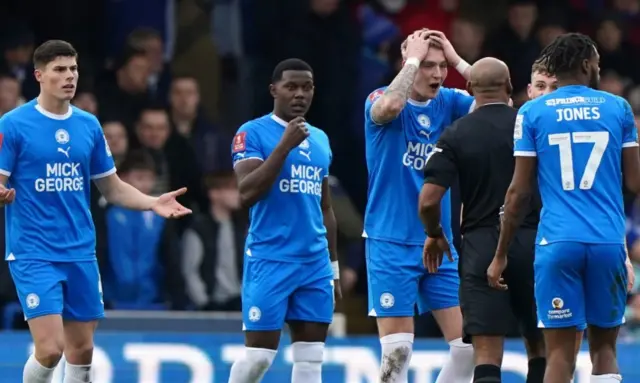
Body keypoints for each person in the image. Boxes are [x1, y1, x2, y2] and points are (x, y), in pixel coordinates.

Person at [0, 40, 192, 383]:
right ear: (39, 75)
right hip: (34, 251)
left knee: (82, 350)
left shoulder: (88, 125)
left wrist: (153, 202)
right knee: (49, 349)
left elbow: (113, 188)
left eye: (73, 69)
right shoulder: (13, 124)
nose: (69, 76)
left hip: (80, 252)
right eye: (59, 70)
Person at [487, 33, 637, 383]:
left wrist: (501, 253)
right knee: (604, 351)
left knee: (559, 356)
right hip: (606, 242)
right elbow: (635, 183)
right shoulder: (618, 108)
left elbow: (518, 194)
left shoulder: (532, 112)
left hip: (556, 243)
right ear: (587, 65)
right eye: (597, 63)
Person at [419, 57, 545, 383]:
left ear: (471, 88)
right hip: (533, 241)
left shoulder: (456, 133)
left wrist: (435, 233)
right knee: (541, 345)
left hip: (481, 246)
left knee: (486, 356)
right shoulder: (530, 125)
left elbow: (429, 200)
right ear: (509, 86)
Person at [364, 28, 475, 382]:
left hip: (437, 242)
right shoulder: (380, 98)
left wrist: (458, 60)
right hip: (390, 241)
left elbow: (498, 100)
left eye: (442, 66)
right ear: (407, 63)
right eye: (428, 65)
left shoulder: (451, 102)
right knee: (398, 351)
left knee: (468, 347)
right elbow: (391, 107)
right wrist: (412, 59)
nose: (438, 74)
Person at [227, 58, 341, 383]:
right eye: (291, 86)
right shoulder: (252, 132)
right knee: (259, 358)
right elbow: (247, 192)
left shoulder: (320, 138)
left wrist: (332, 267)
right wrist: (283, 147)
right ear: (273, 89)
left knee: (311, 359)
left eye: (307, 87)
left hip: (314, 265)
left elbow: (325, 207)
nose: (299, 94)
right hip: (270, 258)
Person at [526, 59, 586, 381]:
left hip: (559, 248)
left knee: (562, 355)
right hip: (521, 251)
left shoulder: (578, 137)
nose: (547, 95)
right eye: (540, 86)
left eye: (554, 87)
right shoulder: (516, 127)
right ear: (527, 90)